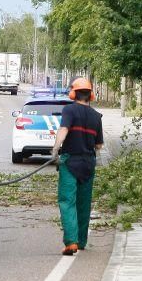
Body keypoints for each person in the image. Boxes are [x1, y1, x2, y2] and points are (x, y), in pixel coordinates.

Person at [51, 77, 104, 256]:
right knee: (84, 203)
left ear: (73, 93)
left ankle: (71, 242)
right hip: (88, 164)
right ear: (91, 95)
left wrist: (55, 150)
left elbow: (64, 130)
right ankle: (81, 241)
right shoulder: (97, 116)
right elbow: (99, 146)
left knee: (67, 201)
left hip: (70, 162)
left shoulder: (69, 110)